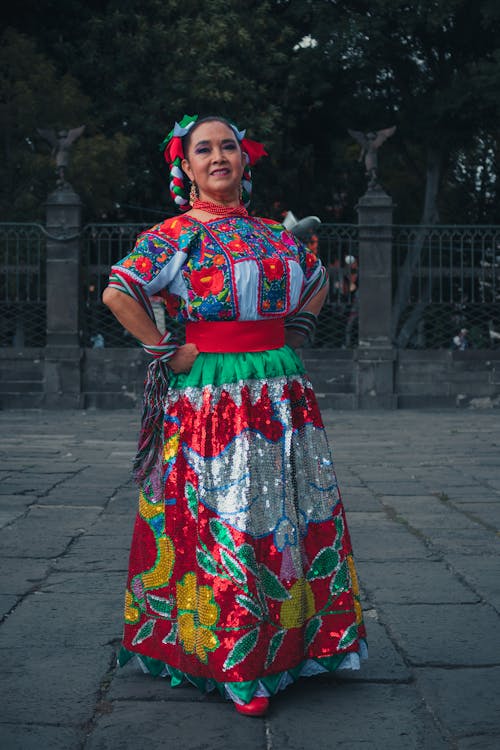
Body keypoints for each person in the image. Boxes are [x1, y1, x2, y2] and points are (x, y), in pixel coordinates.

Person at [103, 114, 367, 717]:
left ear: (244, 162)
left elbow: (317, 279)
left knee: (288, 511)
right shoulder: (174, 235)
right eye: (205, 149)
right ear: (186, 168)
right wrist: (167, 349)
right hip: (212, 394)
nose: (219, 156)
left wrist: (296, 325)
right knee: (230, 515)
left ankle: (298, 645)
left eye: (229, 146)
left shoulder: (275, 233)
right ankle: (236, 659)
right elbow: (119, 292)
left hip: (279, 389)